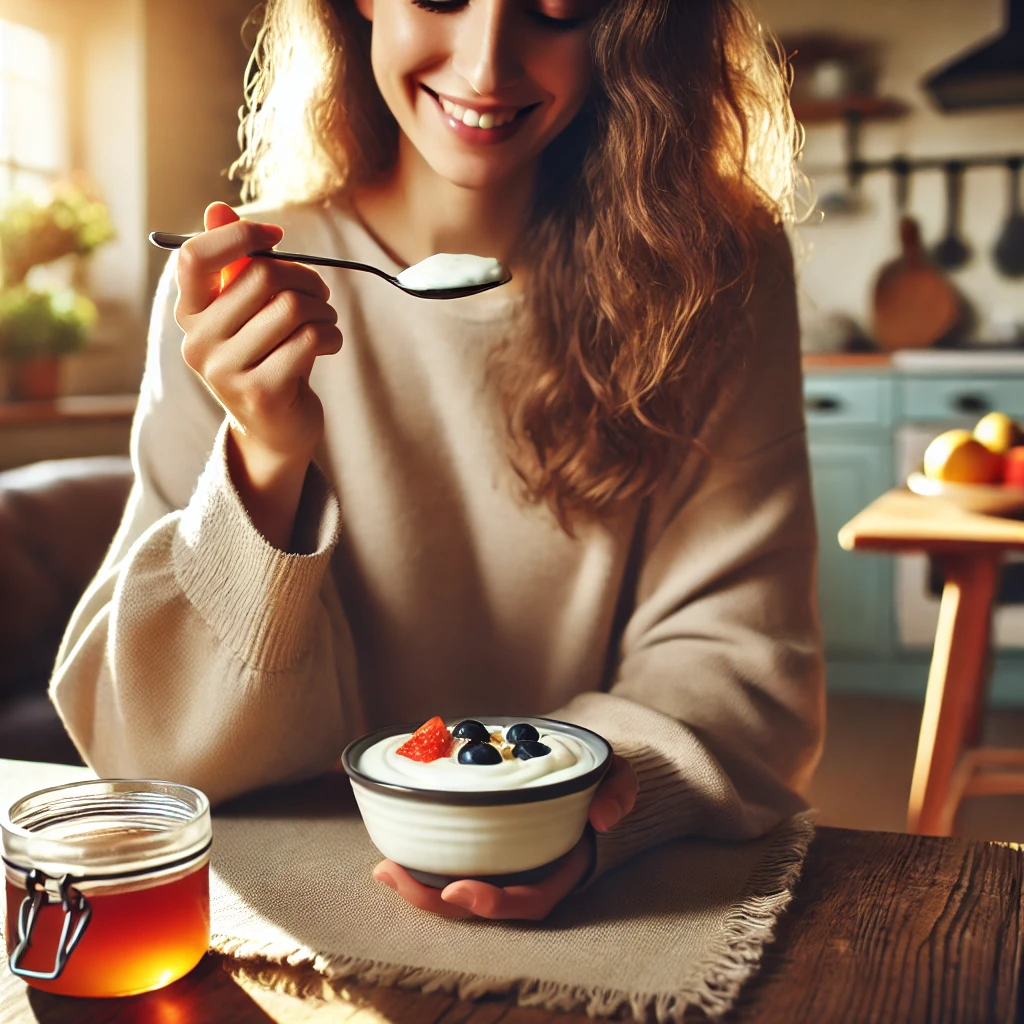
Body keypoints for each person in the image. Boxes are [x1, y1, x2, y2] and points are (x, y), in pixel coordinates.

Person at [50, 0, 824, 921]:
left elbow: (741, 652)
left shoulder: (714, 274)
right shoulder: (242, 301)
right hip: (301, 907)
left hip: (607, 898)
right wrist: (267, 458)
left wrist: (579, 810)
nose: (487, 65)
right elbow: (149, 751)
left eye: (556, 8)